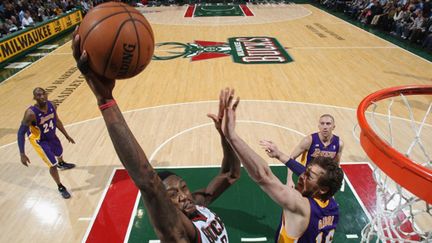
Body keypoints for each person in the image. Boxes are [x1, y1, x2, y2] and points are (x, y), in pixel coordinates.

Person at [72, 30, 240, 242]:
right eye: (171, 196)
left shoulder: (196, 204)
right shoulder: (178, 231)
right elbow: (147, 181)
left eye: (183, 188)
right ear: (163, 205)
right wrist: (105, 100)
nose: (182, 196)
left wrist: (227, 136)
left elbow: (230, 174)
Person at [219, 88, 344, 243]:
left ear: (323, 188)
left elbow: (263, 175)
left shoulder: (300, 206)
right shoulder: (333, 206)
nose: (302, 175)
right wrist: (280, 155)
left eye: (308, 176)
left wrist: (232, 136)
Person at [17, 87, 76, 199]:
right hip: (39, 140)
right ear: (34, 98)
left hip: (51, 135)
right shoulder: (30, 113)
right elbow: (20, 133)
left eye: (43, 94)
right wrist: (22, 153)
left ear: (47, 94)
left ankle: (62, 163)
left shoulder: (52, 105)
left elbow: (57, 121)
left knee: (59, 152)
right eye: (38, 95)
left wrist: (66, 135)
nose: (42, 96)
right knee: (52, 164)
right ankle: (60, 186)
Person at [260, 113, 344, 173]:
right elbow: (292, 157)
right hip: (309, 177)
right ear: (319, 126)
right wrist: (289, 180)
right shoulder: (309, 140)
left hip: (326, 180)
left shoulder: (339, 143)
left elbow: (336, 164)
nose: (325, 127)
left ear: (333, 126)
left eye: (328, 124)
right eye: (322, 124)